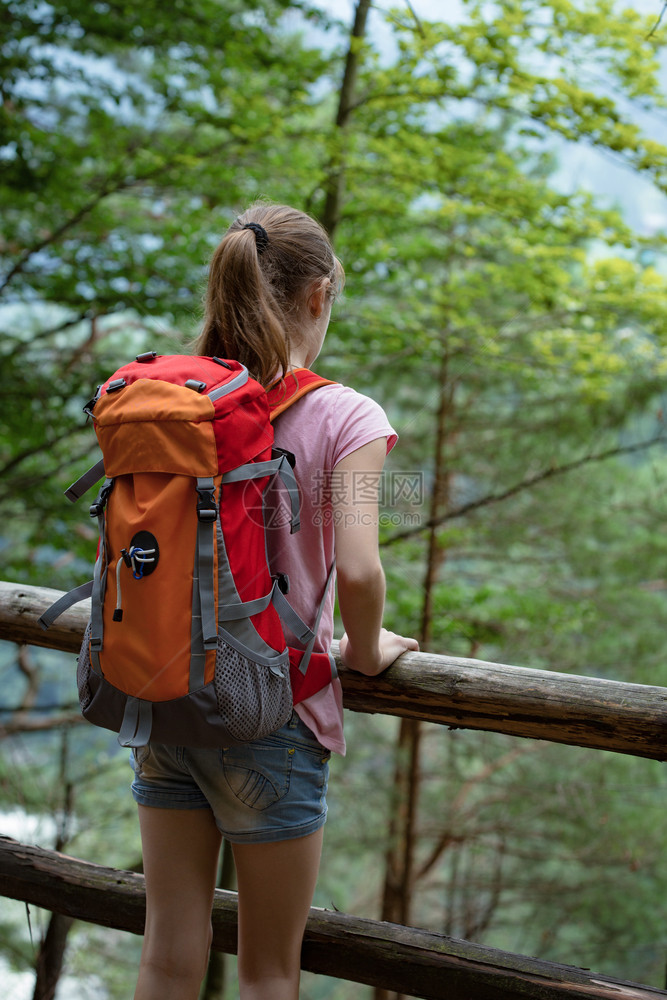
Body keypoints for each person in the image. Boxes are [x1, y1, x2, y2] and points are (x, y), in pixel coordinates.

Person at [130, 202, 419, 1000]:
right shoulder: (346, 414)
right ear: (320, 294)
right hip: (272, 714)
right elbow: (359, 574)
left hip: (161, 693)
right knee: (267, 971)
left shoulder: (172, 397)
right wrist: (364, 654)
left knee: (165, 954)